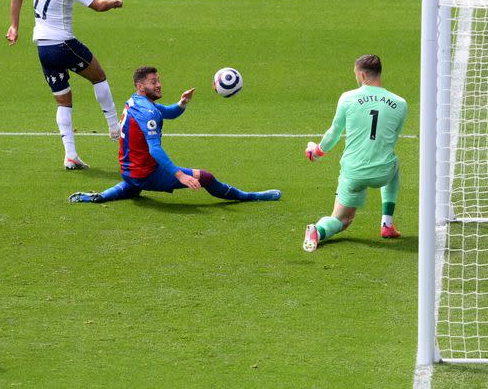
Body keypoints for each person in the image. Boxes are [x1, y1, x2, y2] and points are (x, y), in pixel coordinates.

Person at [69, 66, 282, 203]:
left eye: (158, 80)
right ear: (141, 86)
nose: (159, 84)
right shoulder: (148, 111)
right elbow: (155, 149)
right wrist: (180, 175)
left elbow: (168, 112)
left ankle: (101, 197)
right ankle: (249, 197)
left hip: (129, 171)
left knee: (133, 187)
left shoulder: (135, 101)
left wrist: (182, 103)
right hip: (146, 173)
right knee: (205, 176)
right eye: (154, 82)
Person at [6, 0, 124, 170]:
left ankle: (70, 156)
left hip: (44, 49)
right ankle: (114, 127)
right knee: (98, 76)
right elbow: (98, 6)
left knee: (63, 100)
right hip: (63, 44)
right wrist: (114, 3)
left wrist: (14, 27)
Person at [302, 54, 407, 252]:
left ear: (361, 74)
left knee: (342, 220)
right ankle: (387, 224)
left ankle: (318, 230)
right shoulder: (400, 103)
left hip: (354, 172)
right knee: (394, 163)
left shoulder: (348, 98)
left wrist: (316, 151)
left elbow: (334, 132)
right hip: (382, 172)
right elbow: (391, 138)